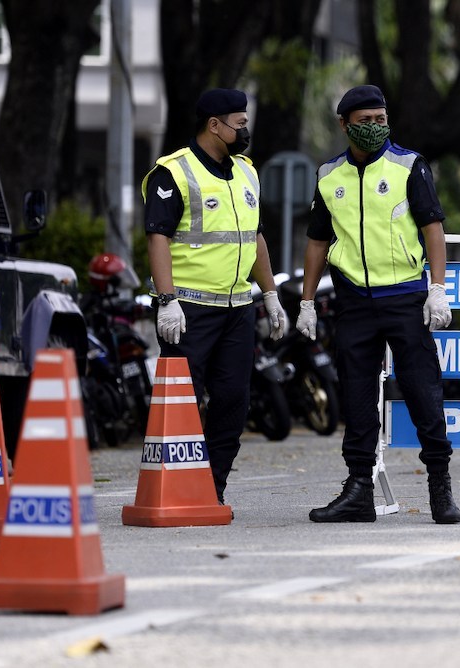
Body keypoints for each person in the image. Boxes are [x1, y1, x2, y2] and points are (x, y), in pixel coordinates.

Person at [295, 84, 460, 524]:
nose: (374, 127)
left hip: (405, 297)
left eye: (380, 119)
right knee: (357, 396)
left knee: (423, 392)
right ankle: (359, 491)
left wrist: (438, 288)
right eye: (365, 121)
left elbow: (433, 229)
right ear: (344, 124)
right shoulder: (329, 175)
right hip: (353, 300)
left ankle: (440, 489)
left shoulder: (409, 166)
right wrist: (306, 301)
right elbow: (317, 240)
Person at [142, 88, 286, 504]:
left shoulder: (246, 172)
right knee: (182, 403)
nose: (245, 131)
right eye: (239, 124)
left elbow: (254, 237)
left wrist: (271, 292)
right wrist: (167, 300)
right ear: (214, 125)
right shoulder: (174, 171)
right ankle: (172, 489)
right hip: (188, 311)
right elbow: (158, 239)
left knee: (232, 401)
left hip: (238, 309)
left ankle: (211, 488)